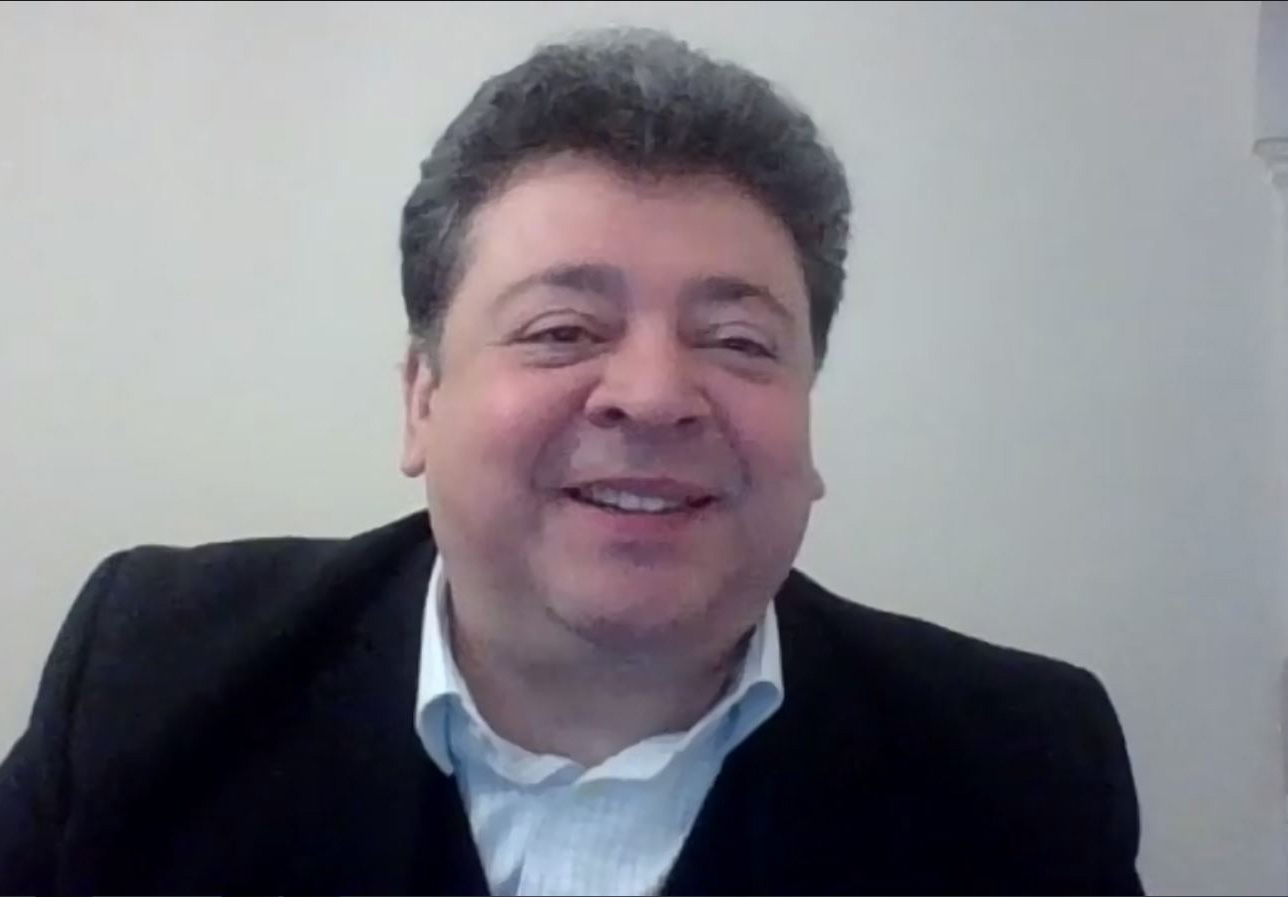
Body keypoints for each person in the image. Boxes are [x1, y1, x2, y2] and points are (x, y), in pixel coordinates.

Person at [0, 27, 1142, 896]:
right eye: (562, 329)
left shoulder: (1021, 774)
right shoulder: (150, 677)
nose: (653, 393)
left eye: (737, 341)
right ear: (422, 399)